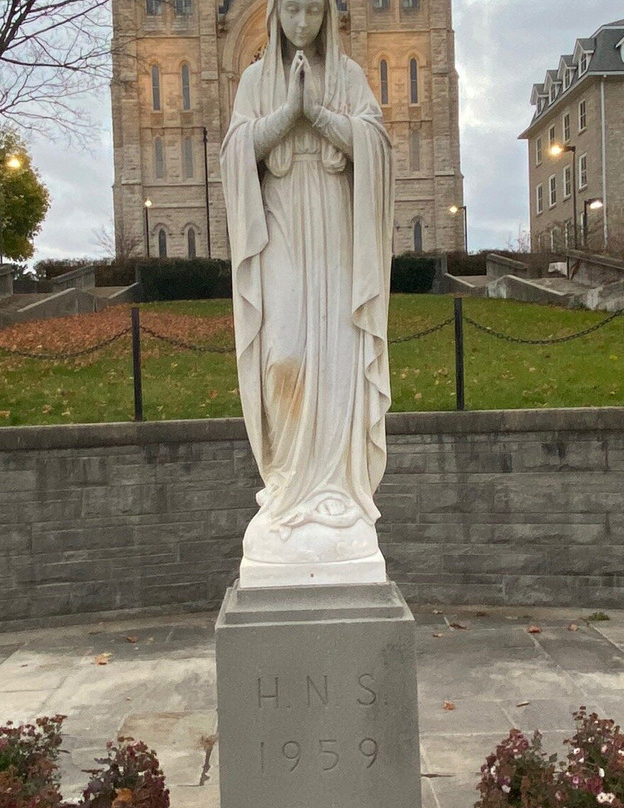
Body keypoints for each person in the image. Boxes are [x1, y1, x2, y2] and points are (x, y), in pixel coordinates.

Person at [221, 0, 394, 586]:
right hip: (281, 231)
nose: (302, 23)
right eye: (291, 10)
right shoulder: (253, 81)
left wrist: (317, 113)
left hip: (337, 236)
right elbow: (235, 154)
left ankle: (337, 494)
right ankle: (288, 489)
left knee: (339, 359)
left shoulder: (347, 77)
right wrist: (286, 114)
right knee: (284, 358)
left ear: (326, 15)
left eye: (311, 11)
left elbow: (375, 145)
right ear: (275, 16)